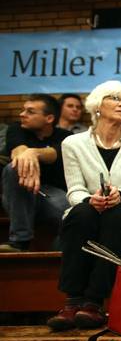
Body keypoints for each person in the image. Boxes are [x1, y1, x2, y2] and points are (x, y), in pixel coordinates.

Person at [47, 80, 121, 331]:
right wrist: (90, 200)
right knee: (81, 212)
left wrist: (120, 197)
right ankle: (73, 303)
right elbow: (74, 192)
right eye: (114, 98)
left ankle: (93, 302)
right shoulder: (72, 144)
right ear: (97, 106)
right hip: (88, 219)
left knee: (113, 214)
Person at [0, 94, 70, 252]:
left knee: (73, 215)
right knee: (14, 167)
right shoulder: (16, 129)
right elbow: (18, 151)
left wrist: (34, 153)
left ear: (49, 118)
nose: (22, 114)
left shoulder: (66, 137)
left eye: (30, 112)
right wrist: (29, 161)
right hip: (20, 193)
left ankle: (60, 250)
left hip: (53, 193)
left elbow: (55, 154)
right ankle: (19, 241)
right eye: (23, 110)